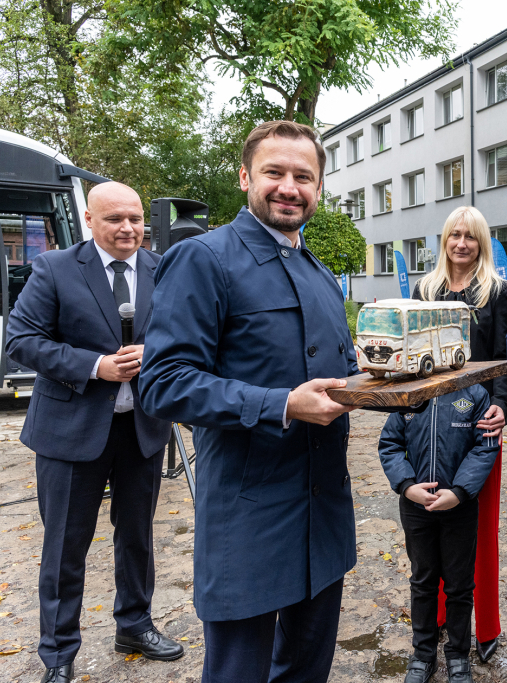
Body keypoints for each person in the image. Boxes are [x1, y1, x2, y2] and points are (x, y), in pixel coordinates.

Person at [139, 121, 358, 683]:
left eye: (303, 176)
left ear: (319, 186)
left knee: (308, 671)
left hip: (324, 513)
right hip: (250, 515)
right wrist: (281, 404)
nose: (289, 187)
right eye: (275, 173)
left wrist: (384, 385)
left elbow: (345, 371)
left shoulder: (322, 275)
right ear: (244, 177)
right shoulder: (203, 259)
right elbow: (163, 381)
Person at [5, 182, 181, 683]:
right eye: (115, 219)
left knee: (138, 538)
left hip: (143, 428)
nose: (128, 228)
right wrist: (96, 366)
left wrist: (155, 354)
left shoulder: (162, 267)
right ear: (89, 220)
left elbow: (182, 335)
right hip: (70, 431)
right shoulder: (56, 268)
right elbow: (22, 339)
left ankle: (135, 624)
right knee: (64, 546)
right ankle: (58, 654)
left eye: (135, 218)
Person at [412, 205, 507, 664]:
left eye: (470, 236)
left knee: (479, 531)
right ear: (444, 240)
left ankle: (485, 626)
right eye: (454, 235)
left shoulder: (494, 291)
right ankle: (435, 625)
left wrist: (501, 406)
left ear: (481, 243)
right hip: (430, 424)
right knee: (430, 521)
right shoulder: (425, 289)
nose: (461, 244)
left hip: (478, 422)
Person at [378, 384, 500, 683]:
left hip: (459, 507)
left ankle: (458, 654)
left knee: (459, 585)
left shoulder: (474, 394)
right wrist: (407, 486)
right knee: (423, 580)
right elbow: (389, 443)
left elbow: (485, 446)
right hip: (416, 507)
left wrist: (459, 492)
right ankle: (423, 654)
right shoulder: (409, 393)